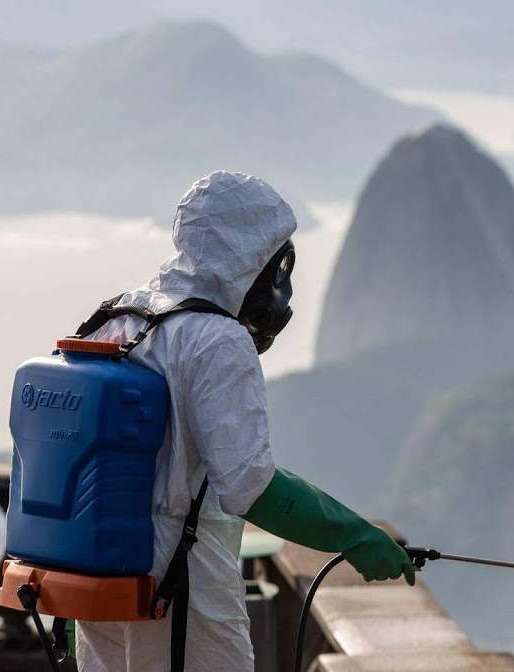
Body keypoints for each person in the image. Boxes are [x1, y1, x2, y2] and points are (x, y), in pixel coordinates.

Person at [76, 171, 414, 672]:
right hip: (176, 588)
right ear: (253, 257)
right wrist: (354, 535)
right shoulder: (215, 339)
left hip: (97, 574)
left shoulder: (118, 318)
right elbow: (249, 487)